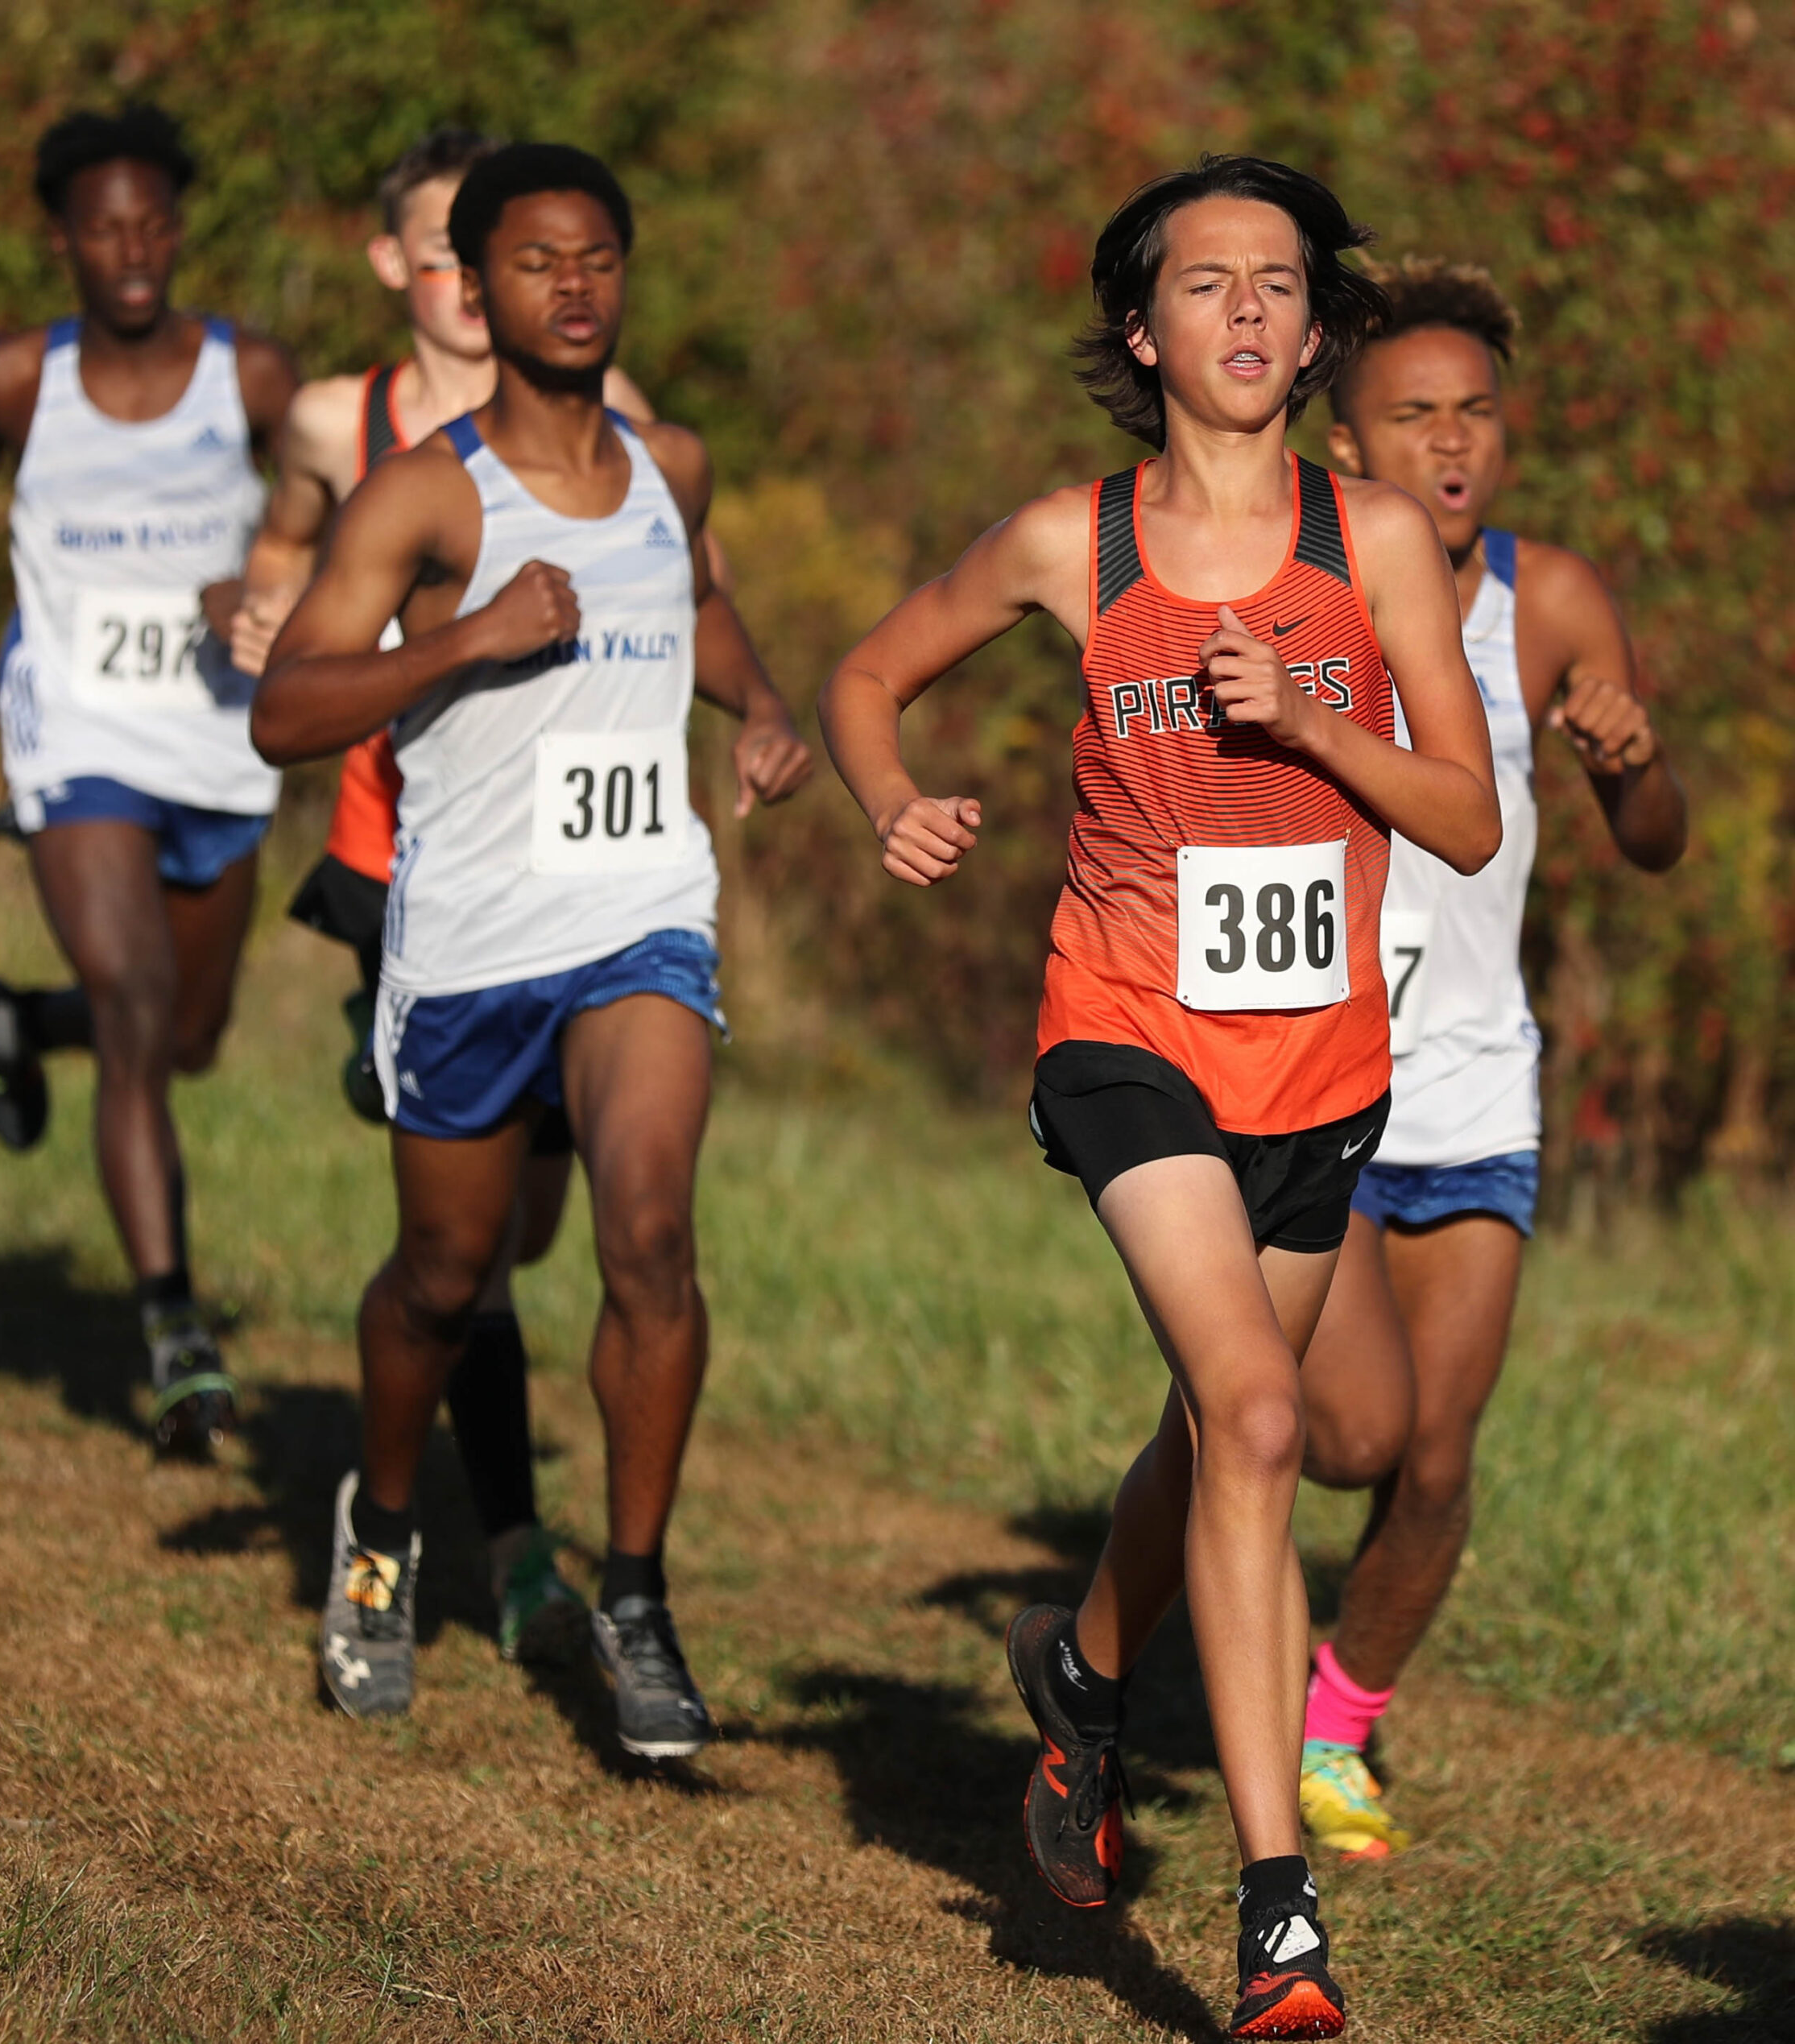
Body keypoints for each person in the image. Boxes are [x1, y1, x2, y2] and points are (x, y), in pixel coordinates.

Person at [819, 156, 1501, 2038]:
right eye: (1206, 283)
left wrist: (1309, 718)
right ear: (1140, 331)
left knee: (1217, 1436)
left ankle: (1081, 1681)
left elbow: (1464, 816)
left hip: (1320, 1066)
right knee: (1261, 1413)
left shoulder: (1370, 543)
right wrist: (891, 800)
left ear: (1314, 325)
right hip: (1123, 1036)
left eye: (1278, 282)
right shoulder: (1073, 542)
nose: (1248, 311)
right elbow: (869, 673)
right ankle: (1277, 1922)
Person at [251, 143, 812, 1749]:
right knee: (444, 1276)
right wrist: (468, 639)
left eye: (597, 260)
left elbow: (695, 608)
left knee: (649, 1236)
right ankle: (379, 1531)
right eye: (535, 263)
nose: (572, 287)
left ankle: (633, 1597)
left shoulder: (671, 467)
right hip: (470, 937)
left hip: (641, 913)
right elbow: (286, 707)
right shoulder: (424, 492)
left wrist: (764, 707)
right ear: (476, 287)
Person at [219, 127, 661, 1665]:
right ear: (420, 269)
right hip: (398, 849)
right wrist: (256, 606)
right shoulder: (347, 424)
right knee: (458, 1248)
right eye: (448, 259)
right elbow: (281, 568)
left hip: (578, 877)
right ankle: (502, 1543)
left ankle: (494, 1515)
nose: (482, 292)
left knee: (522, 1236)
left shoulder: (618, 419)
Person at [0, 104, 297, 1459]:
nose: (131, 251)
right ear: (65, 242)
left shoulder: (254, 376)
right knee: (136, 1007)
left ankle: (19, 1018)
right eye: (104, 229)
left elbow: (336, 504)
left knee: (187, 1035)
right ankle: (174, 1329)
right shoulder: (16, 378)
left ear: (178, 232)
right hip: (76, 721)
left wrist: (273, 583)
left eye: (152, 226)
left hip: (217, 729)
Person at [1292, 258, 1686, 1859]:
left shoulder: (1555, 600)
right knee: (1343, 1439)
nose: (1450, 442)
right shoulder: (1297, 594)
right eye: (1412, 415)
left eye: (1475, 412)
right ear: (1343, 444)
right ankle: (1175, 1540)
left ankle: (1334, 1732)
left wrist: (1633, 761)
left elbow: (1652, 843)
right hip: (1315, 1077)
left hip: (1472, 1084)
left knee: (1436, 1465)